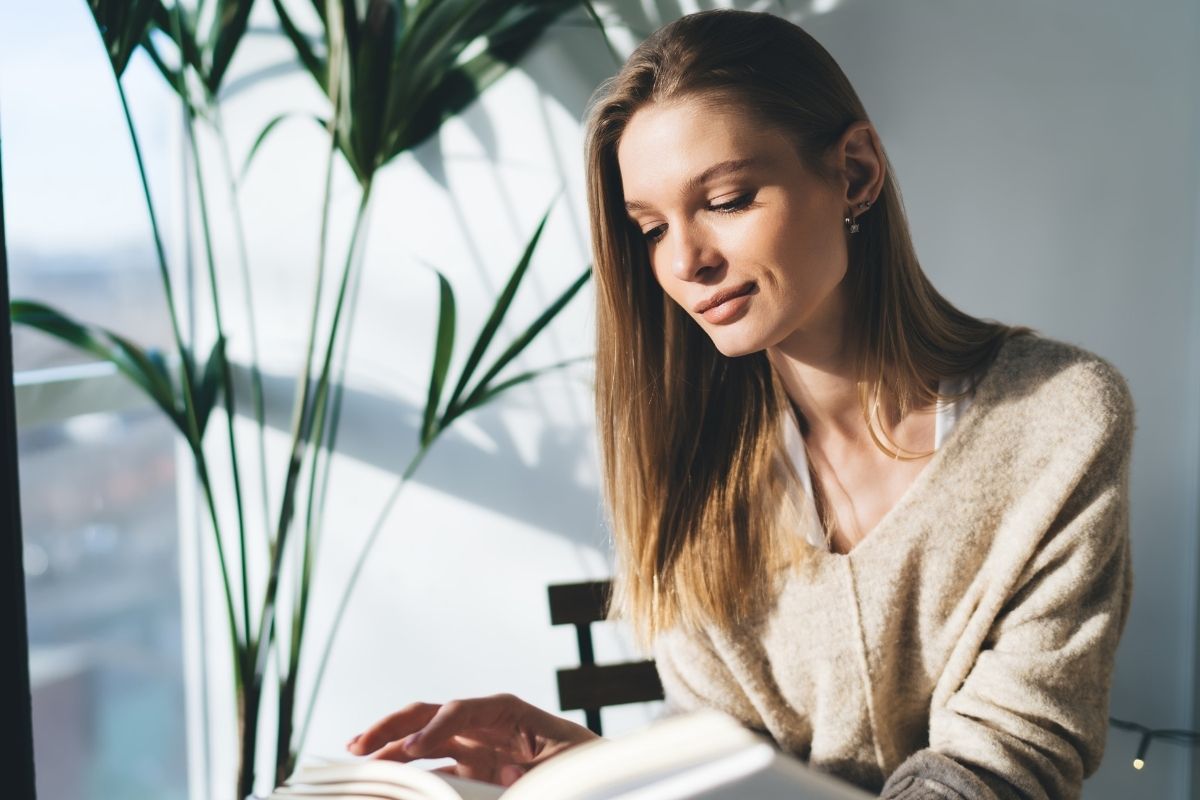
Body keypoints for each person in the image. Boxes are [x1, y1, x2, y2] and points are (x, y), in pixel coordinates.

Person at [346, 10, 1133, 799]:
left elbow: (1007, 762)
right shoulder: (692, 465)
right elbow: (735, 763)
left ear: (854, 173)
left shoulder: (1057, 419)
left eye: (726, 199)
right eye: (650, 228)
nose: (685, 260)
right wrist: (592, 766)